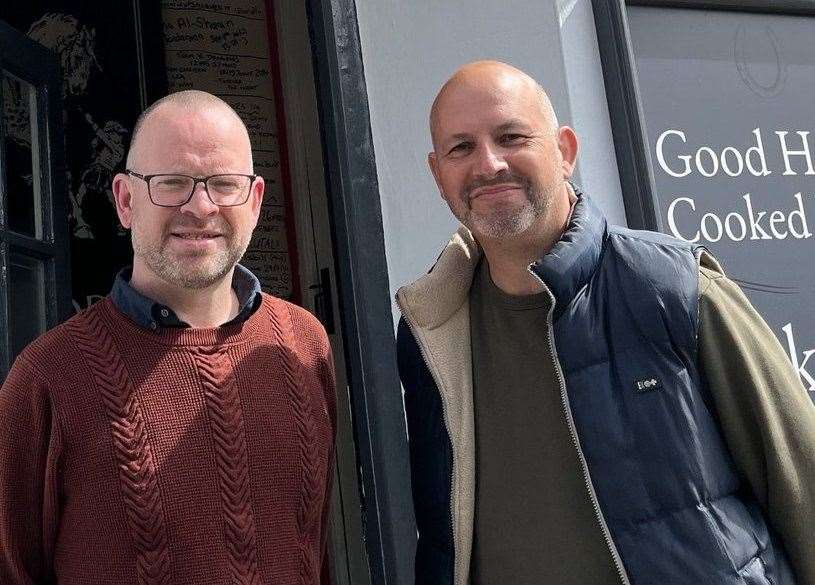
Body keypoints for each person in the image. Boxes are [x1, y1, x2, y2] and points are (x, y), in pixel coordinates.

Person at [395, 61, 815, 585]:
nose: (490, 163)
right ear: (438, 175)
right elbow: (442, 537)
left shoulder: (673, 290)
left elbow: (802, 483)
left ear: (565, 151)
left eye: (511, 136)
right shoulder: (431, 333)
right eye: (461, 148)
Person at [0, 90, 336, 584]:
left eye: (224, 184)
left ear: (256, 200)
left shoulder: (302, 344)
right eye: (172, 183)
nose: (200, 208)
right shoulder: (48, 375)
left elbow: (312, 545)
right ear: (125, 200)